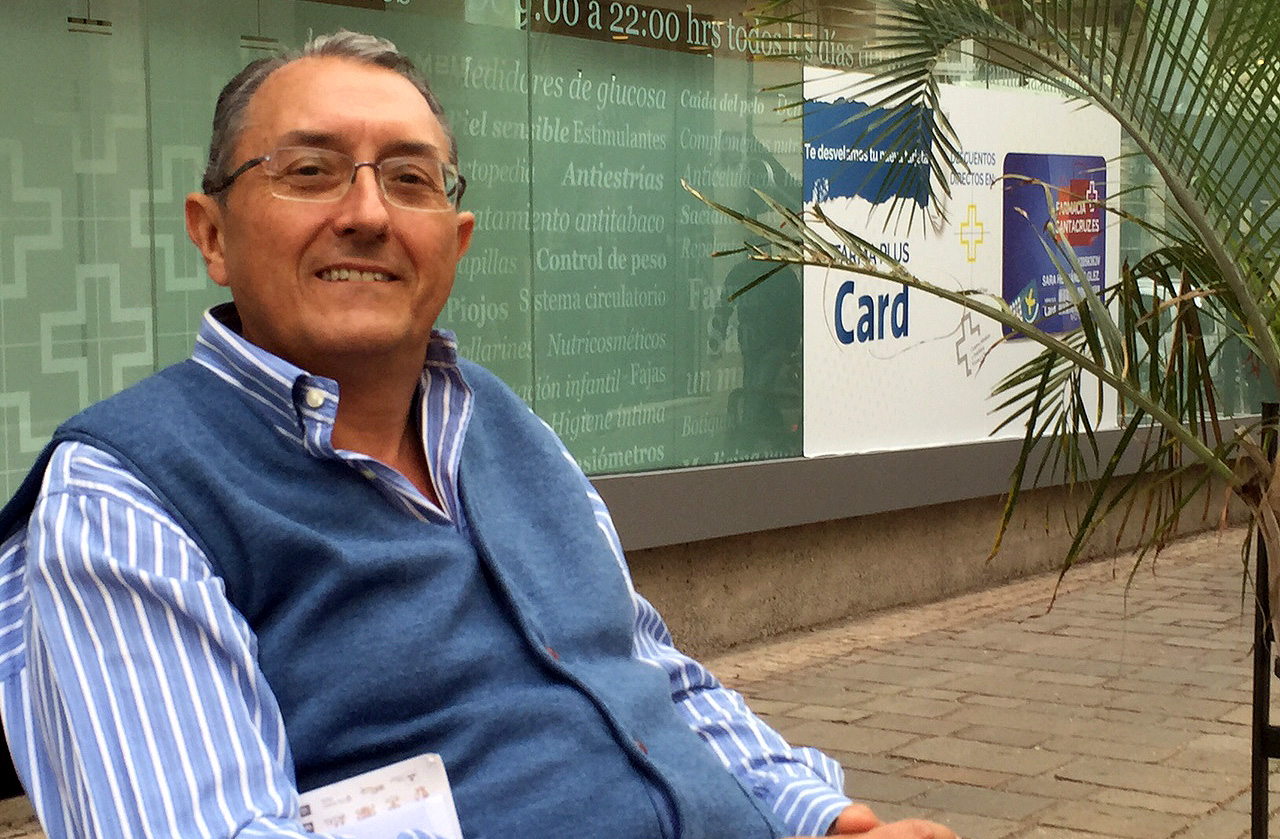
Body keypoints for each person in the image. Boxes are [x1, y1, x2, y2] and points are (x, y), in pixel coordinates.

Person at [0, 31, 957, 839]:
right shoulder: (128, 496)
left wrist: (819, 814)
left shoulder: (501, 423)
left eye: (409, 178)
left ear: (453, 243)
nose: (367, 213)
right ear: (211, 234)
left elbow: (647, 670)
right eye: (310, 171)